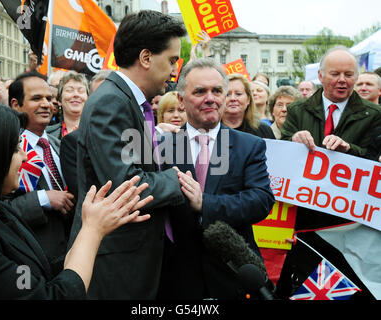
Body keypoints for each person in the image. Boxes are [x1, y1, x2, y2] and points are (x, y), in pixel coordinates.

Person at [0, 99, 152, 299]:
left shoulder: (1, 211)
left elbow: (41, 272)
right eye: (15, 149)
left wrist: (96, 226)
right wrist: (92, 231)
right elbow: (54, 295)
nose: (24, 157)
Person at [67, 10, 187, 300]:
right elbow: (126, 184)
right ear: (146, 58)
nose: (174, 71)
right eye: (172, 60)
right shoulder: (112, 102)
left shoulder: (126, 101)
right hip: (117, 262)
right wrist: (176, 180)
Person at [159, 58, 275, 299]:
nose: (210, 98)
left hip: (232, 275)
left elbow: (261, 200)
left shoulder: (250, 146)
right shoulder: (161, 148)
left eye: (217, 91)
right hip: (175, 278)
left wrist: (206, 204)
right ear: (181, 100)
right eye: (200, 91)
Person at [278, 46, 381, 300]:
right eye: (335, 74)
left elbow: (373, 160)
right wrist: (293, 139)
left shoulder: (374, 115)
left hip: (350, 225)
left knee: (349, 290)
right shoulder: (298, 110)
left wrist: (349, 150)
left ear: (356, 77)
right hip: (306, 221)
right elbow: (281, 156)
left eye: (349, 74)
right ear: (321, 76)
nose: (342, 80)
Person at [6, 71, 75, 271]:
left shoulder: (60, 145)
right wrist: (43, 199)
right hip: (30, 261)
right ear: (15, 104)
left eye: (49, 98)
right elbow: (0, 209)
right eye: (36, 98)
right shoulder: (8, 148)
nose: (46, 104)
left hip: (68, 256)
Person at [222, 73, 275, 139]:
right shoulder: (212, 129)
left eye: (238, 94)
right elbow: (223, 148)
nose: (233, 98)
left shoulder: (262, 130)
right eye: (227, 94)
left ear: (248, 99)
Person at [47, 71, 89, 139]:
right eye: (69, 90)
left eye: (81, 91)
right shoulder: (46, 135)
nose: (76, 94)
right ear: (60, 100)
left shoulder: (99, 133)